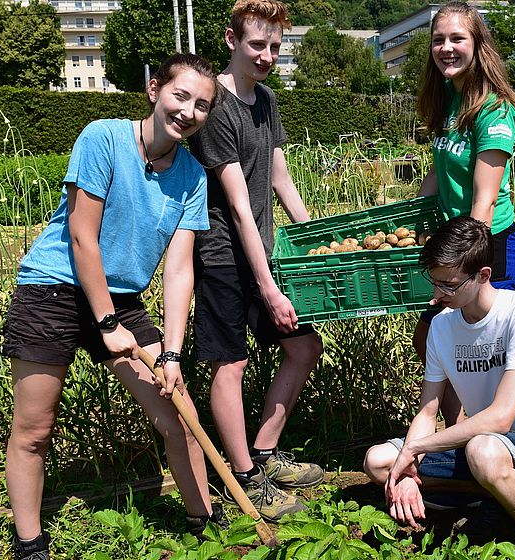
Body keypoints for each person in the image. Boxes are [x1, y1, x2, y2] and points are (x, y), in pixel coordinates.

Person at [0, 54, 222, 560]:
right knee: (35, 428)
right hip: (53, 290)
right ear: (154, 90)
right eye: (180, 95)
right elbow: (82, 236)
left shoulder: (191, 176)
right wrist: (105, 324)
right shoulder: (104, 137)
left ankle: (205, 525)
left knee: (179, 414)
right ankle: (29, 544)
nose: (188, 111)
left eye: (202, 105)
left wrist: (171, 351)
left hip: (121, 299)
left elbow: (179, 269)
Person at [188, 0, 324, 521]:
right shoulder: (215, 106)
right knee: (231, 363)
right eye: (256, 45)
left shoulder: (265, 99)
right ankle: (243, 479)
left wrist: (311, 238)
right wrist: (268, 287)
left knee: (304, 346)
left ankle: (264, 452)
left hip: (263, 253)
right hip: (223, 256)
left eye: (274, 46)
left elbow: (278, 176)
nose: (266, 55)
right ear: (231, 40)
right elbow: (240, 205)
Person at [363, 216, 515, 538]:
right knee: (378, 462)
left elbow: (501, 417)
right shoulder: (443, 327)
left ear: (483, 275)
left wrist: (415, 449)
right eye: (433, 281)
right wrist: (406, 467)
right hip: (487, 449)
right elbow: (427, 411)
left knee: (482, 450)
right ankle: (496, 495)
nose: (436, 294)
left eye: (449, 284)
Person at [412, 0, 515, 429]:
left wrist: (455, 275)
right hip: (455, 244)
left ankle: (501, 435)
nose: (446, 47)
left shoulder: (494, 110)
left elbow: (483, 201)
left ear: (478, 45)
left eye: (457, 38)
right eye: (438, 39)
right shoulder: (449, 98)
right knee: (433, 338)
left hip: (487, 246)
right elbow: (440, 172)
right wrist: (407, 218)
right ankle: (463, 432)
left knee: (480, 346)